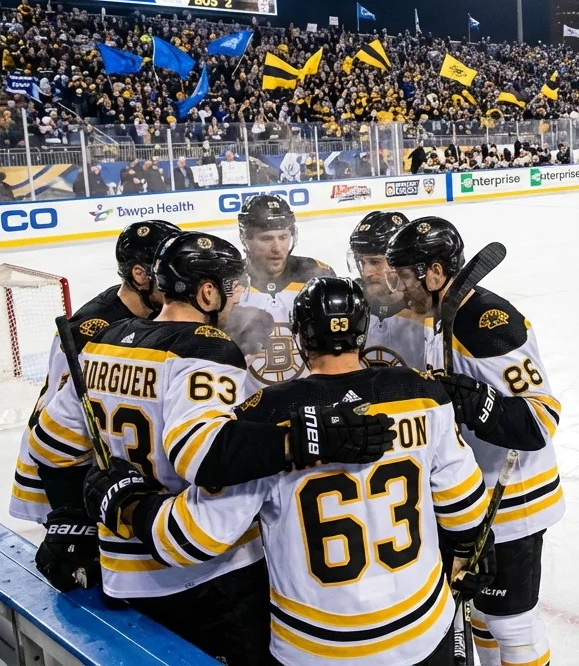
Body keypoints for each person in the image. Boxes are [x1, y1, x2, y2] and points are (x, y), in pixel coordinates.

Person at [82, 277, 492, 666]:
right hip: (424, 629)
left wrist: (125, 501)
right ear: (362, 332)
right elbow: (467, 510)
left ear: (298, 337)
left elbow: (192, 538)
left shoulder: (265, 417)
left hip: (314, 647)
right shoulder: (421, 395)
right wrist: (465, 556)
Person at [28, 233, 393, 662]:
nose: (237, 299)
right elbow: (204, 454)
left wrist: (95, 500)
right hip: (210, 577)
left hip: (123, 571)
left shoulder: (104, 341)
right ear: (207, 292)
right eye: (232, 288)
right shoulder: (208, 349)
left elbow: (48, 444)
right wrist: (303, 437)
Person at [386, 217, 561, 666]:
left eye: (406, 277)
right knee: (482, 618)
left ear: (436, 272)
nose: (402, 289)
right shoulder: (444, 317)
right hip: (479, 500)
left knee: (513, 628)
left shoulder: (485, 320)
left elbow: (541, 418)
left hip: (515, 502)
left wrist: (482, 404)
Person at [9, 220, 183, 524]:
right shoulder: (96, 328)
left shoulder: (148, 310)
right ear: (140, 276)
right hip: (63, 465)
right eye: (168, 270)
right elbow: (63, 422)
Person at [225, 195, 334, 384]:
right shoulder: (228, 283)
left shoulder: (316, 276)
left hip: (309, 399)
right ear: (245, 238)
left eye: (283, 237)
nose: (277, 248)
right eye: (266, 239)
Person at [347, 211, 422, 369]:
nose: (367, 272)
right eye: (362, 262)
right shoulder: (352, 304)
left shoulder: (428, 309)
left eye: (375, 262)